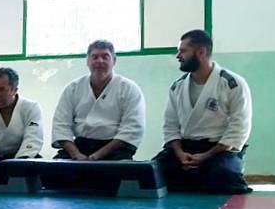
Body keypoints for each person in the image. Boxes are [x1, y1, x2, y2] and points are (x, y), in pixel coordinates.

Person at [154, 29, 252, 194]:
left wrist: (206, 156)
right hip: (185, 148)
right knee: (154, 172)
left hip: (219, 150)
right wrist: (179, 153)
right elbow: (170, 125)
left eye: (183, 51)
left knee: (224, 176)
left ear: (201, 52)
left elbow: (239, 127)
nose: (178, 56)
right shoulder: (177, 86)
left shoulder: (232, 83)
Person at [51, 40, 146, 161]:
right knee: (51, 172)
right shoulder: (73, 88)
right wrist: (76, 155)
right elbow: (61, 125)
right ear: (87, 61)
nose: (99, 61)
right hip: (80, 146)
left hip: (115, 148)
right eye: (94, 57)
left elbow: (132, 128)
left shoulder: (129, 88)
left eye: (105, 57)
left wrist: (97, 156)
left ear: (114, 61)